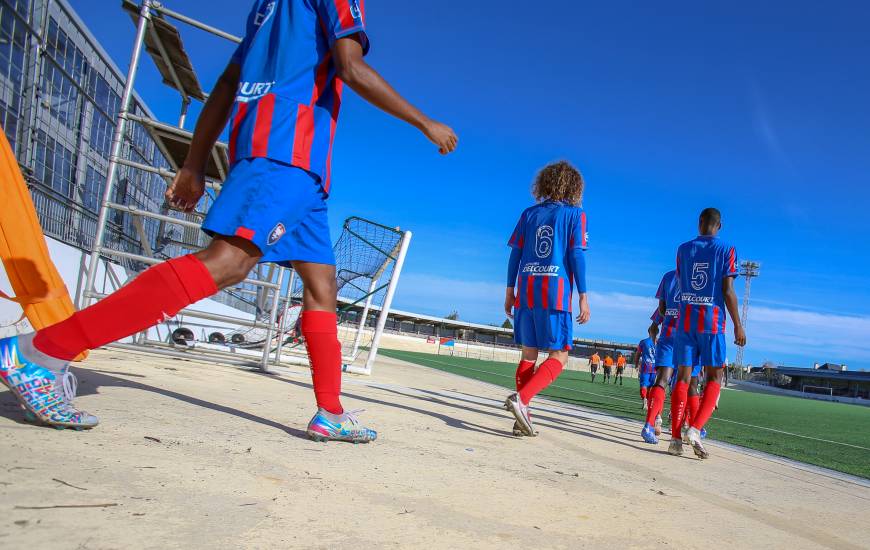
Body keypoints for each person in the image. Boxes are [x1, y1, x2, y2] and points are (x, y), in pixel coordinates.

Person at [0, 0, 457, 442]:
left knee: (322, 287)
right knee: (228, 263)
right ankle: (42, 351)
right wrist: (425, 122)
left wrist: (195, 163)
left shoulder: (266, 9)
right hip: (286, 153)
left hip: (298, 169)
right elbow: (350, 66)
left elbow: (225, 85)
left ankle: (331, 413)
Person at [503, 161, 590, 437]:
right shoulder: (575, 215)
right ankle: (521, 400)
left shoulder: (528, 214)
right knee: (560, 356)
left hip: (526, 290)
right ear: (574, 186)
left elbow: (515, 254)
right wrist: (584, 297)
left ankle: (521, 418)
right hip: (556, 294)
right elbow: (577, 255)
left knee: (529, 354)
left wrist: (509, 291)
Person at [668, 208, 745, 458]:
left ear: (699, 222)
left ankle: (675, 439)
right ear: (719, 226)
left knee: (683, 376)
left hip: (686, 321)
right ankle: (696, 429)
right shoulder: (727, 250)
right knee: (715, 377)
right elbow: (728, 290)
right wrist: (738, 324)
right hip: (711, 323)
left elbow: (681, 283)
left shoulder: (682, 249)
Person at [635, 324, 658, 422]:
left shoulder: (643, 342)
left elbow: (638, 354)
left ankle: (645, 400)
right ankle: (649, 403)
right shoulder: (660, 342)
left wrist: (636, 364)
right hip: (656, 368)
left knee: (643, 385)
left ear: (649, 332)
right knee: (651, 387)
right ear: (657, 332)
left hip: (645, 367)